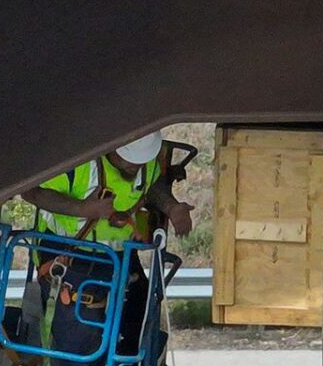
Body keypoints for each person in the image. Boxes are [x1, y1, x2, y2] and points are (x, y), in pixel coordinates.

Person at [18, 133, 194, 360]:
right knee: (80, 341)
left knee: (140, 315)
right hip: (68, 254)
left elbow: (152, 186)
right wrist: (82, 209)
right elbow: (32, 192)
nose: (134, 167)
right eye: (128, 160)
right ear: (110, 146)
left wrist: (172, 207)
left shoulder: (146, 164)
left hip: (118, 256)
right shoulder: (77, 162)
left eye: (140, 162)